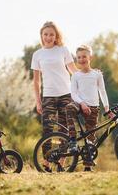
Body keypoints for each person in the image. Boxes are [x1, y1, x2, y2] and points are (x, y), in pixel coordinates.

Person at [31, 21, 77, 171]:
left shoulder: (63, 50)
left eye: (51, 34)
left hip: (66, 94)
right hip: (48, 96)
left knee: (64, 130)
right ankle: (47, 161)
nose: (48, 37)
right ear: (41, 36)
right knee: (48, 130)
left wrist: (86, 79)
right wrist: (38, 101)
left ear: (56, 36)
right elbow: (36, 81)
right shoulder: (37, 54)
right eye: (46, 34)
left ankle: (62, 162)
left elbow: (73, 71)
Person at [65, 44, 111, 171]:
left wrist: (107, 108)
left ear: (90, 57)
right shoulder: (75, 76)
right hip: (79, 104)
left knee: (91, 138)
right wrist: (82, 103)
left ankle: (87, 166)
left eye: (84, 56)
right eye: (79, 57)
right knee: (69, 108)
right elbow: (73, 94)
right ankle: (73, 140)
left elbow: (102, 91)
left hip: (93, 108)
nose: (81, 59)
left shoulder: (97, 74)